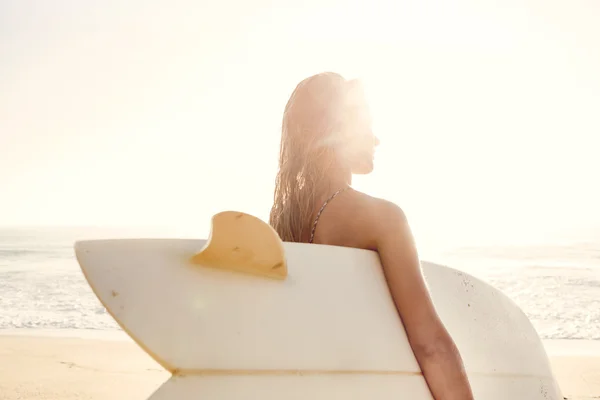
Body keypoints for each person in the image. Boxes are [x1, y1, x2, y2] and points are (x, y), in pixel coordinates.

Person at [269, 72, 474, 399]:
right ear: (336, 130)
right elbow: (431, 345)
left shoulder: (281, 226)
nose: (375, 140)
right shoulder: (381, 218)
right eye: (365, 125)